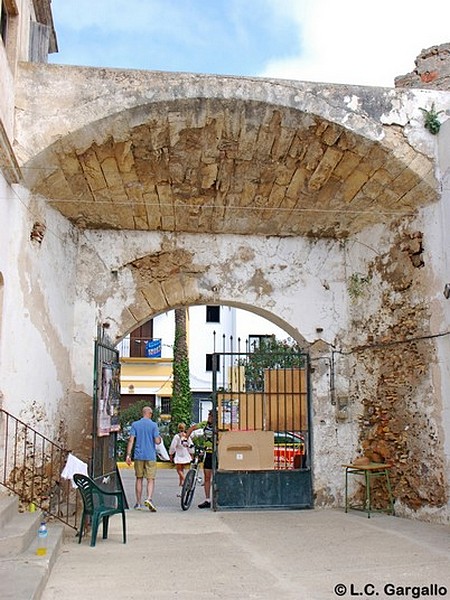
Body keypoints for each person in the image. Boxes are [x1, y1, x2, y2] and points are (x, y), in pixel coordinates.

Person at [125, 406, 161, 512]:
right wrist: (159, 439)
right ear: (149, 413)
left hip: (138, 455)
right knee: (150, 479)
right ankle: (149, 498)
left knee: (139, 478)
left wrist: (128, 455)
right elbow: (157, 441)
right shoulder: (154, 425)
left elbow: (131, 440)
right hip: (150, 455)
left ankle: (138, 503)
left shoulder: (135, 425)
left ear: (142, 413)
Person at [187, 410, 214, 509]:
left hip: (218, 453)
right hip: (208, 452)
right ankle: (207, 499)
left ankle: (218, 498)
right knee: (207, 477)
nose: (209, 417)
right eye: (209, 415)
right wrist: (186, 439)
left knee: (218, 477)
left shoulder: (220, 425)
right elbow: (192, 428)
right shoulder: (205, 424)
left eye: (211, 416)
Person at [169, 423, 194, 494]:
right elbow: (190, 445)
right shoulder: (187, 436)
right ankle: (181, 483)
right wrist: (191, 453)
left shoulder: (177, 436)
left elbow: (173, 446)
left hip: (179, 454)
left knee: (179, 469)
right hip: (185, 453)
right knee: (182, 468)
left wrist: (171, 454)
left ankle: (185, 480)